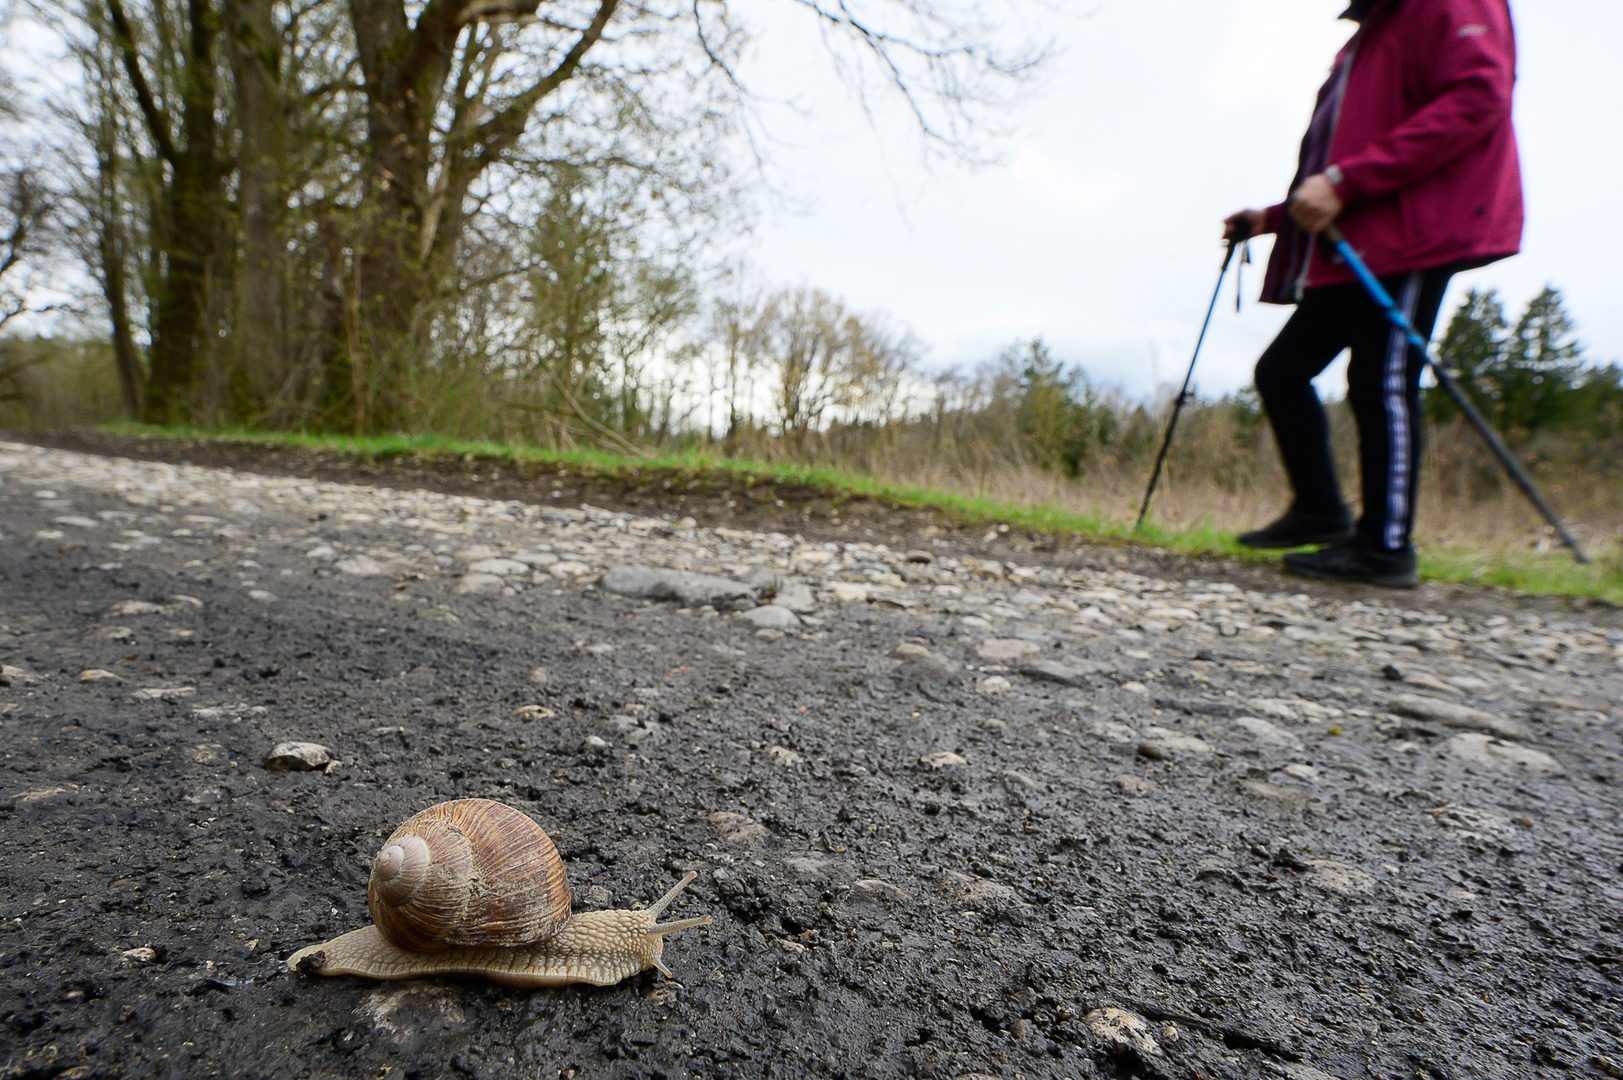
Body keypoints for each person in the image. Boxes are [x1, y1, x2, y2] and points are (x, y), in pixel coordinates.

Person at [1224, 0, 1522, 588]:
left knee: (1381, 381)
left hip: (1414, 231)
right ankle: (1321, 511)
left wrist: (1344, 182)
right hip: (1359, 235)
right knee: (1283, 371)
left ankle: (1385, 548)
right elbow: (1348, 150)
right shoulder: (1376, 30)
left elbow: (1478, 95)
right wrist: (1274, 218)